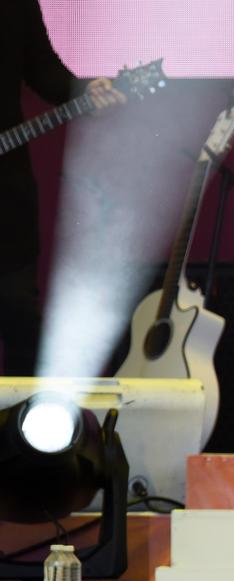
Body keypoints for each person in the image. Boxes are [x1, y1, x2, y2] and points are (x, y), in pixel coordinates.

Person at [0, 0, 123, 375]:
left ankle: (20, 431)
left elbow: (43, 69)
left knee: (18, 312)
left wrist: (85, 91)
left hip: (7, 195)